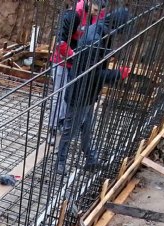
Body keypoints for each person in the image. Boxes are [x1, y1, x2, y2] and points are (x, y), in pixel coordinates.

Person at [56, 8, 131, 175]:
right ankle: (60, 162)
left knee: (88, 127)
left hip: (89, 92)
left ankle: (91, 159)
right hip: (80, 93)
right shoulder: (94, 40)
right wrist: (118, 74)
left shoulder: (100, 31)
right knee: (71, 130)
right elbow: (93, 73)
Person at [48, 7, 81, 133]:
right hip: (61, 62)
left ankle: (61, 120)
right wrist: (71, 53)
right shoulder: (72, 15)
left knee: (68, 95)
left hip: (73, 63)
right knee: (59, 94)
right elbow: (60, 41)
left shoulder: (93, 15)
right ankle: (53, 126)